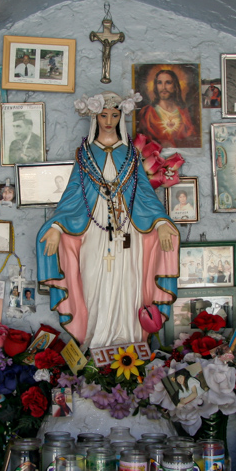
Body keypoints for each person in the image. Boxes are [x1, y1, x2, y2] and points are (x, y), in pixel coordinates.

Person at [38, 91, 179, 348]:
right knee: (91, 282)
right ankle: (94, 341)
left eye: (115, 115)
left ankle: (129, 341)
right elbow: (72, 196)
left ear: (121, 117)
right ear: (94, 116)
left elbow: (145, 195)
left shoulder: (131, 155)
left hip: (128, 232)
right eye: (103, 114)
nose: (108, 120)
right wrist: (57, 226)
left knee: (129, 286)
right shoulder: (86, 154)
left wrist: (160, 223)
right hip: (94, 230)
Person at [136, 69, 198, 148]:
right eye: (159, 83)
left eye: (168, 83)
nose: (163, 87)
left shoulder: (185, 113)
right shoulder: (147, 113)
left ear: (175, 86)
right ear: (156, 86)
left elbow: (193, 141)